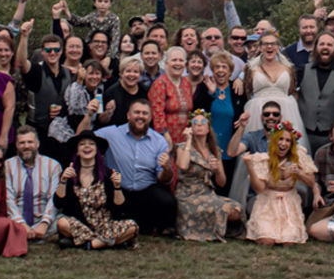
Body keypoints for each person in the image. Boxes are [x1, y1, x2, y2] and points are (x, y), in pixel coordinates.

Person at [96, 101, 177, 235]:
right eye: (137, 112)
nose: (141, 116)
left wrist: (166, 169)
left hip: (145, 190)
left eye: (145, 113)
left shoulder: (159, 141)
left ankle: (152, 226)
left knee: (167, 202)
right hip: (118, 190)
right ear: (128, 115)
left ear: (150, 118)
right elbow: (84, 137)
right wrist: (88, 116)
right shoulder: (112, 133)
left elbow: (164, 179)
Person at [56, 135, 139, 249]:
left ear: (97, 150)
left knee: (132, 227)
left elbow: (120, 207)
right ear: (77, 151)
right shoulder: (70, 174)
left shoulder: (108, 174)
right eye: (82, 144)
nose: (87, 147)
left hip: (106, 225)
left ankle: (89, 244)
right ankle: (109, 242)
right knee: (62, 223)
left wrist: (117, 187)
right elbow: (59, 203)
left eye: (91, 144)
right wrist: (63, 181)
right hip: (81, 224)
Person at [173, 113, 242, 241]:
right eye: (195, 122)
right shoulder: (182, 147)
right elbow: (182, 165)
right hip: (188, 195)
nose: (199, 125)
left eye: (203, 122)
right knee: (224, 208)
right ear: (190, 128)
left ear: (208, 128)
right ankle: (205, 230)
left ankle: (214, 228)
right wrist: (188, 140)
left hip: (207, 193)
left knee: (236, 208)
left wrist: (217, 170)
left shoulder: (214, 150)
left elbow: (222, 183)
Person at [245, 123, 314, 246]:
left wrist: (299, 173)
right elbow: (259, 189)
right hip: (267, 201)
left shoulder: (298, 158)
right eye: (280, 139)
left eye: (288, 140)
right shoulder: (263, 159)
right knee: (267, 241)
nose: (283, 143)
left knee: (289, 241)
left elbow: (311, 182)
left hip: (289, 202)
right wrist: (250, 167)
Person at [5, 129, 63, 241]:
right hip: (16, 220)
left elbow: (54, 199)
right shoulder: (7, 166)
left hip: (44, 219)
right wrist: (21, 224)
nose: (26, 146)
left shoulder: (53, 166)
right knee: (1, 224)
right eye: (22, 143)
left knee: (64, 222)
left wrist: (44, 223)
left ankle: (33, 234)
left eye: (30, 142)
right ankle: (38, 236)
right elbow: (8, 199)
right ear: (16, 145)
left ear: (37, 144)